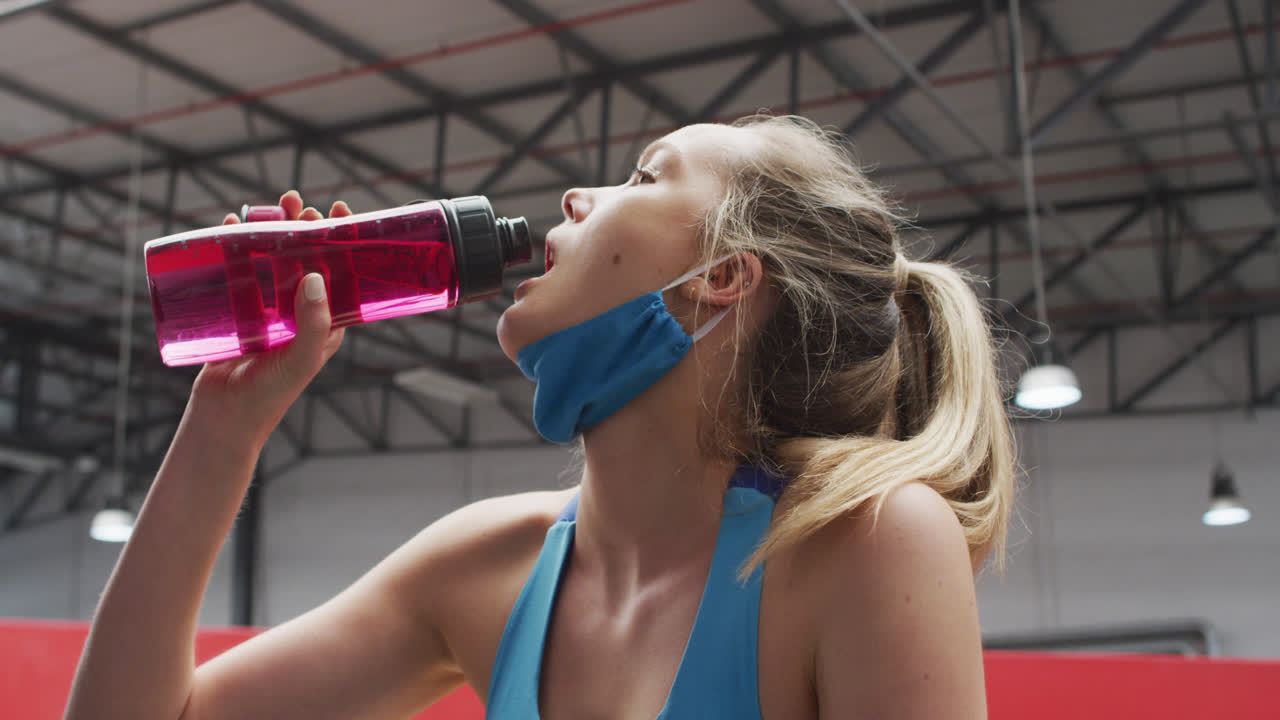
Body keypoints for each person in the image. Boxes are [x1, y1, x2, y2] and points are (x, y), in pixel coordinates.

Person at [65, 115, 1013, 719]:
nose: (577, 196)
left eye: (647, 177)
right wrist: (222, 431)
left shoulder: (865, 541)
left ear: (723, 277)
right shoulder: (484, 566)